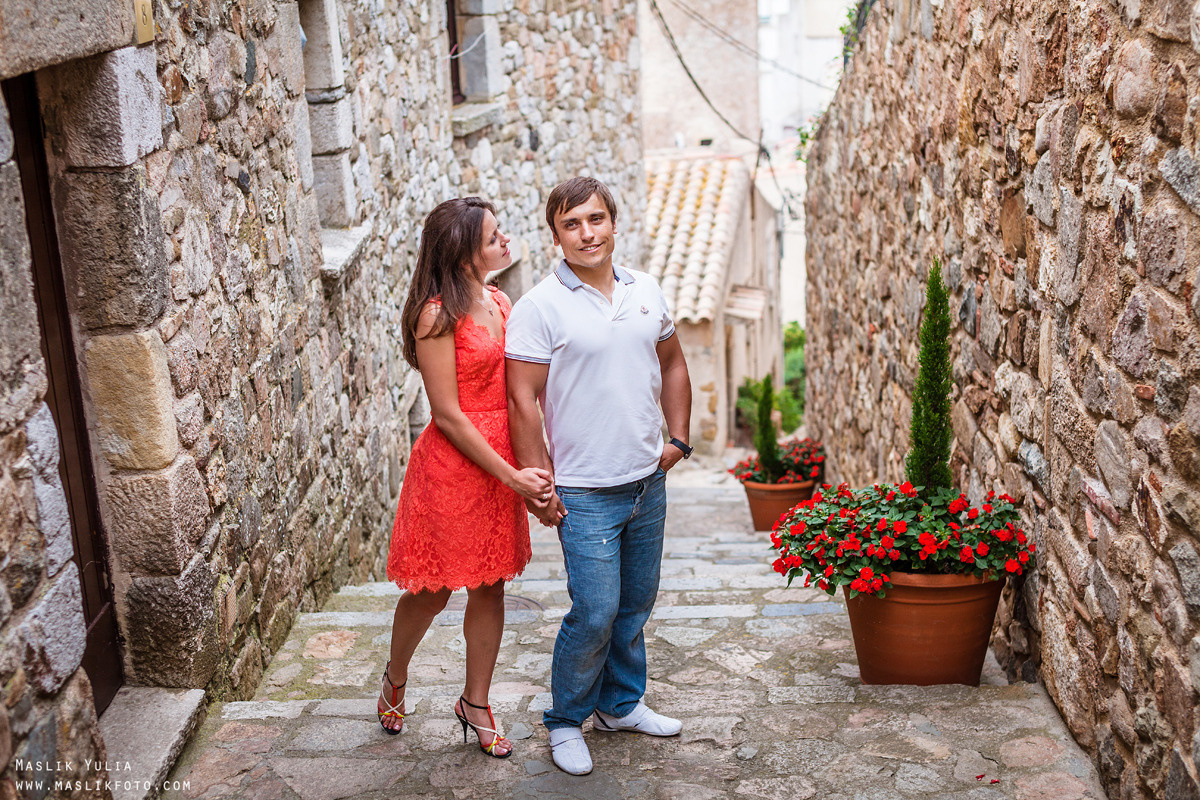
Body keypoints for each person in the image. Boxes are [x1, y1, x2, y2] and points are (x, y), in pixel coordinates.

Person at [505, 176, 693, 776]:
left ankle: (620, 706)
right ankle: (566, 720)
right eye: (572, 224)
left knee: (635, 604)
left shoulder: (646, 289)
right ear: (555, 235)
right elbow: (522, 400)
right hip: (583, 490)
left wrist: (679, 440)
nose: (587, 233)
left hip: (647, 481)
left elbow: (673, 363)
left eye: (595, 219)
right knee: (594, 611)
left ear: (614, 222)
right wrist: (540, 483)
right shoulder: (539, 306)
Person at [379, 197, 555, 759]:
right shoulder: (436, 314)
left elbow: (519, 387)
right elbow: (448, 414)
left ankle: (474, 702)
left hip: (500, 462)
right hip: (454, 468)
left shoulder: (501, 301)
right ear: (461, 254)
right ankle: (395, 676)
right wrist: (514, 476)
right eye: (493, 239)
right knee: (431, 590)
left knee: (490, 585)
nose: (506, 243)